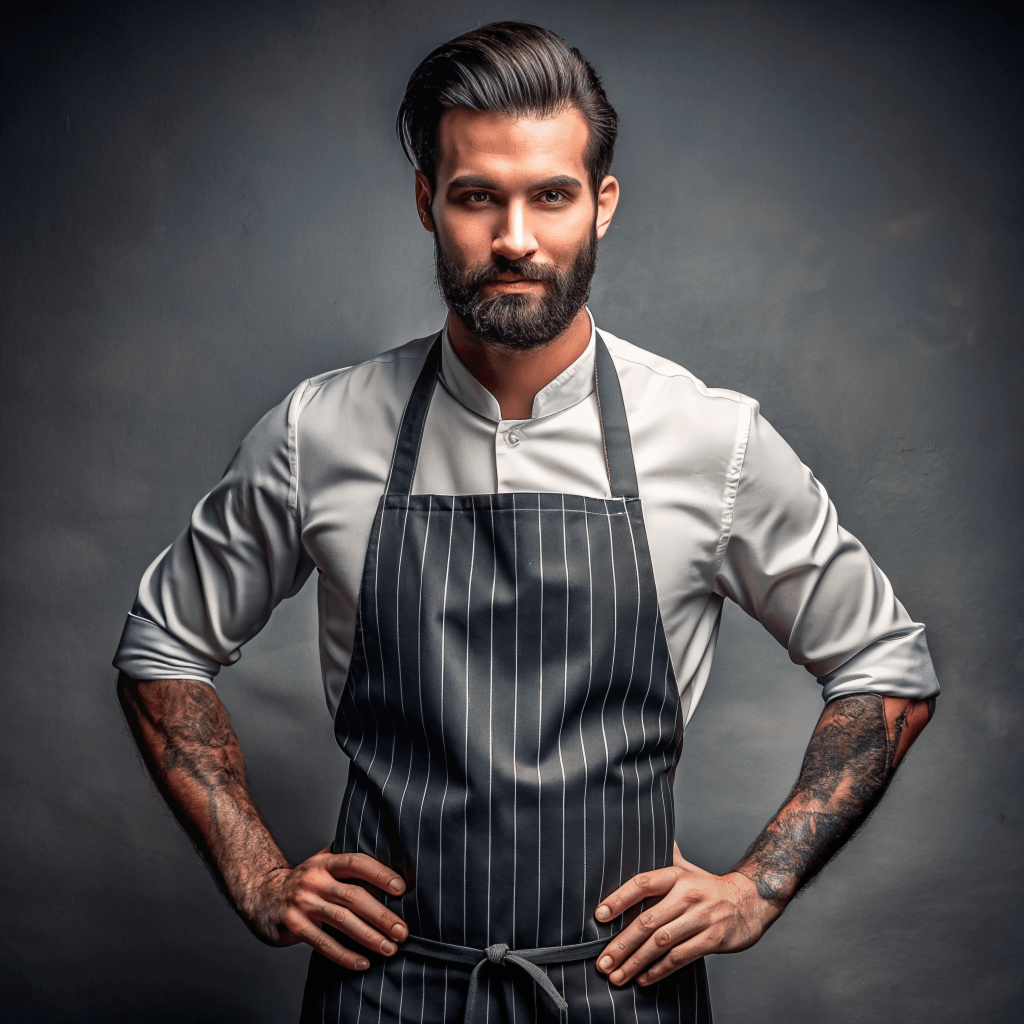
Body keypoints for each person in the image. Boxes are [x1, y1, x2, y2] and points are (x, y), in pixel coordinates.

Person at [113, 21, 939, 1024]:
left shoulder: (709, 438)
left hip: (624, 995)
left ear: (601, 205)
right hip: (385, 994)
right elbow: (163, 647)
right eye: (476, 197)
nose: (514, 236)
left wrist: (755, 886)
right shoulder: (319, 432)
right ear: (428, 202)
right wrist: (257, 873)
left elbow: (884, 671)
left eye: (550, 194)